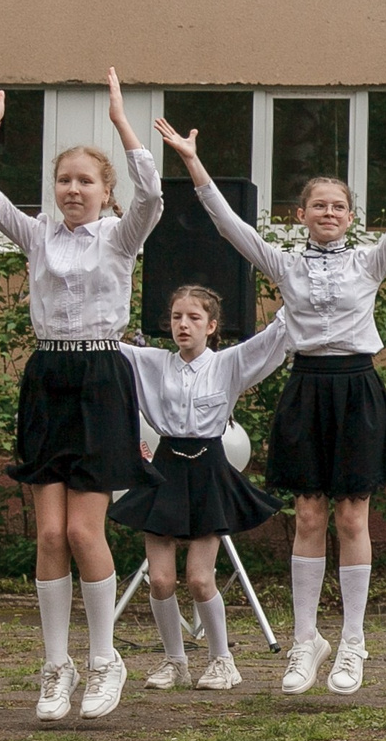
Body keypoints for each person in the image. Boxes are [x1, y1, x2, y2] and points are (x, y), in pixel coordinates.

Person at [161, 103, 386, 699]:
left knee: (353, 517)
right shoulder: (284, 262)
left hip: (357, 390)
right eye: (318, 205)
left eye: (339, 206)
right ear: (300, 215)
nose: (328, 213)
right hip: (306, 388)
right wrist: (195, 165)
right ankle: (306, 641)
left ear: (351, 218)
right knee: (307, 516)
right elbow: (230, 227)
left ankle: (352, 641)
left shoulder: (370, 260)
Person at [0, 69, 162, 723]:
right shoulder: (37, 236)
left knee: (84, 530)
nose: (74, 189)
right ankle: (57, 667)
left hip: (102, 379)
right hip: (48, 379)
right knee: (49, 532)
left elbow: (155, 193)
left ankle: (106, 658)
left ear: (106, 192)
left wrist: (121, 121)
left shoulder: (121, 236)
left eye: (86, 180)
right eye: (65, 180)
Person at [110, 287, 292, 692]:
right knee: (159, 580)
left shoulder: (229, 364)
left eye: (193, 318)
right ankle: (175, 661)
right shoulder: (151, 362)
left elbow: (274, 339)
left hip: (208, 469)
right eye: (176, 317)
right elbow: (104, 343)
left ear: (211, 327)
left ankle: (222, 660)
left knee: (198, 578)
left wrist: (297, 292)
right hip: (166, 467)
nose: (183, 325)